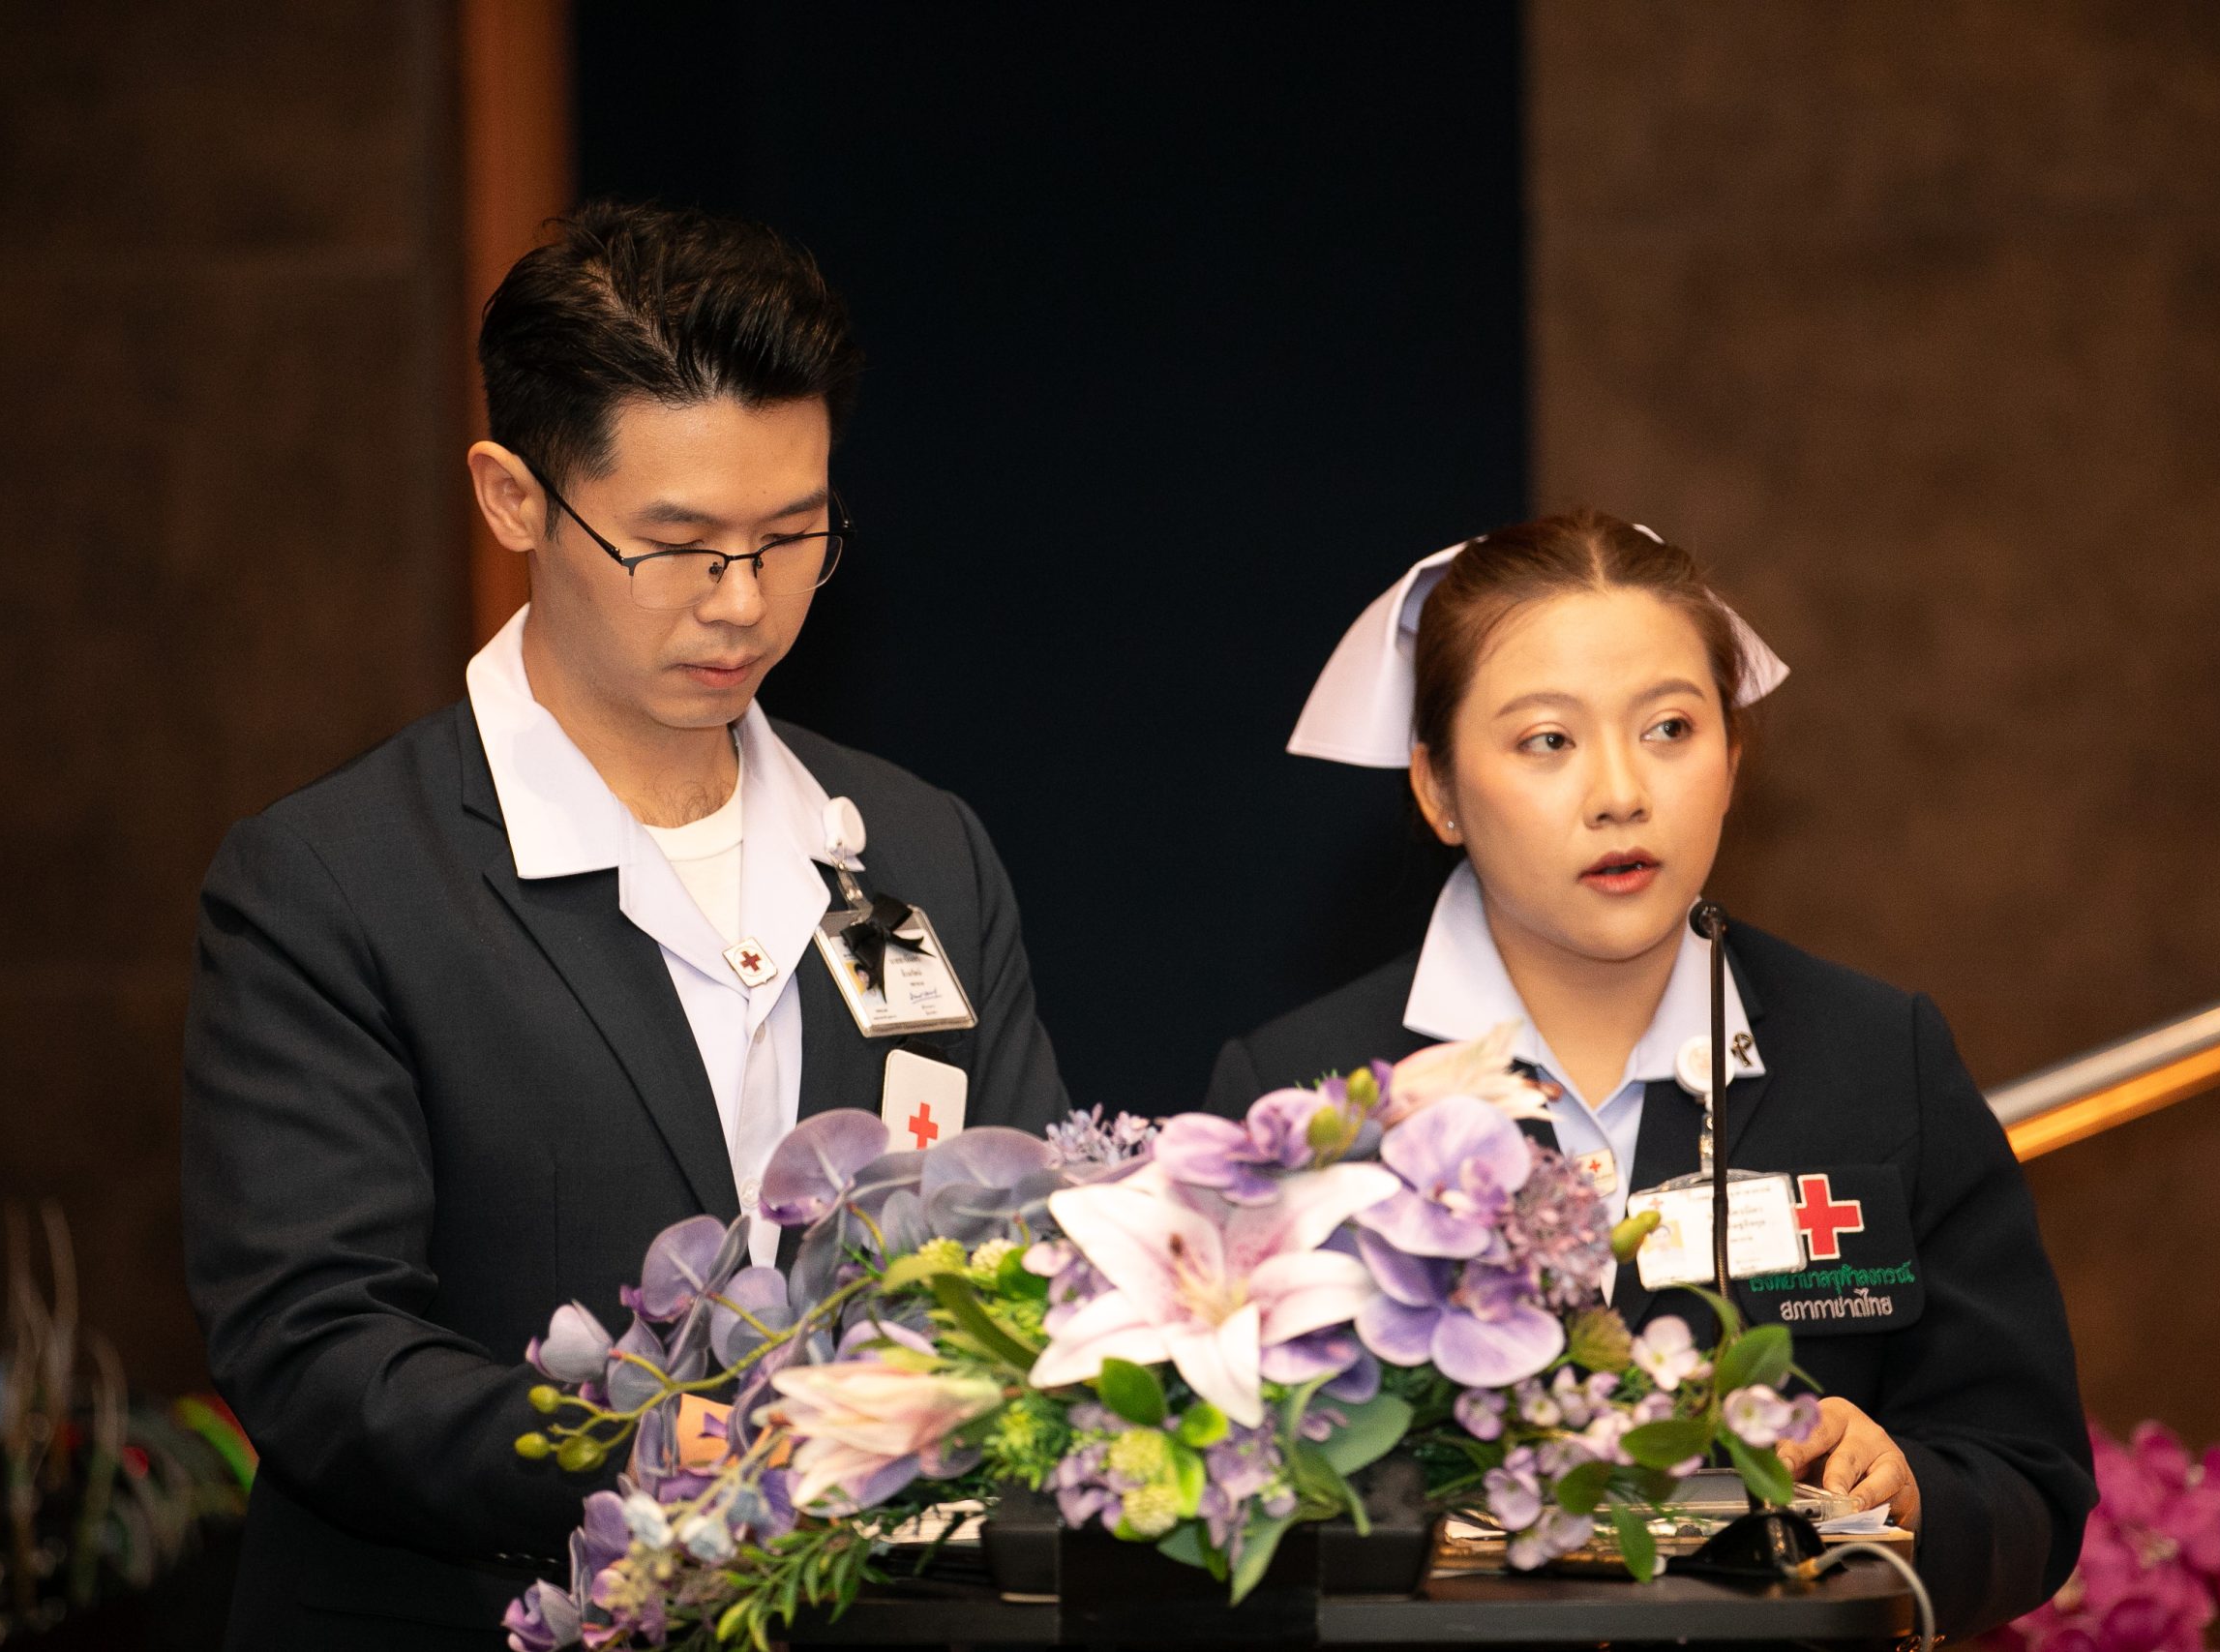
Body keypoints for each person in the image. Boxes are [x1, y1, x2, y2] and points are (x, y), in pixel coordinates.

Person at [182, 200, 1069, 1650]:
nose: (744, 603)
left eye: (792, 535)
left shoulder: (915, 851)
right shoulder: (336, 881)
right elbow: (318, 1347)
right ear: (513, 498)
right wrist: (674, 1455)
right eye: (677, 543)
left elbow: (1023, 1237)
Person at [1206, 511, 2093, 1637]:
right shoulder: (1311, 1094)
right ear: (1435, 788)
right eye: (1547, 741)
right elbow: (1220, 1511)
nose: (1620, 791)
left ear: (1732, 760)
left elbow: (2027, 1477)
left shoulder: (1878, 1057)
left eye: (1670, 727)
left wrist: (1912, 1492)